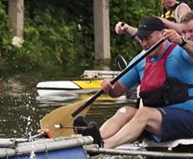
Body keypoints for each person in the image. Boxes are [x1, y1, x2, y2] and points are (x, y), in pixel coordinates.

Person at [76, 15, 193, 149]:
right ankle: (90, 140)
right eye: (141, 38)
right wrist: (110, 87)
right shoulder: (141, 59)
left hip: (188, 118)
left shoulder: (181, 52)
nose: (143, 43)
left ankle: (104, 146)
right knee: (125, 111)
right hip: (159, 121)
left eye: (147, 38)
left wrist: (182, 41)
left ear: (162, 34)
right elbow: (118, 90)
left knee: (144, 113)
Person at [115, 0, 191, 37]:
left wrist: (161, 20)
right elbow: (148, 35)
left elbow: (183, 29)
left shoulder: (181, 8)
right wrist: (127, 28)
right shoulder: (164, 13)